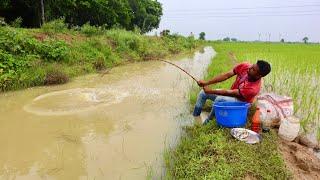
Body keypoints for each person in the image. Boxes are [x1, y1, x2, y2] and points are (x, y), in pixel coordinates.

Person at [193, 58, 271, 124]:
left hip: (241, 102)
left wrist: (210, 91)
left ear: (259, 75)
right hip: (232, 95)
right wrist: (206, 82)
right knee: (203, 93)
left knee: (219, 99)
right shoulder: (245, 66)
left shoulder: (253, 89)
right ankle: (195, 116)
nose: (250, 68)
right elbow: (226, 75)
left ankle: (208, 121)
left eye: (253, 69)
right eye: (252, 66)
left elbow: (230, 93)